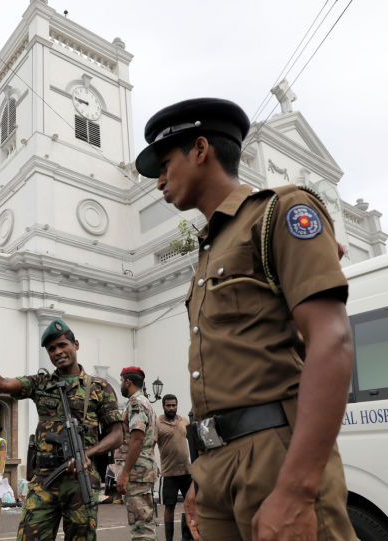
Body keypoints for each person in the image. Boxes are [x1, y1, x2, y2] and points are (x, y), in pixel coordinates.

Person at [135, 97, 356, 540]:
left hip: (274, 454)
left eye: (164, 163)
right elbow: (219, 368)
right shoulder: (208, 249)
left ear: (201, 150)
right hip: (217, 464)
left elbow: (332, 341)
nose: (159, 180)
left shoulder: (279, 211)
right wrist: (203, 473)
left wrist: (296, 488)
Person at [0, 318, 124, 541]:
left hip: (80, 479)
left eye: (63, 345)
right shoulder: (41, 383)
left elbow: (117, 434)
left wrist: (86, 455)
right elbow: (2, 384)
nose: (58, 352)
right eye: (51, 349)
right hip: (45, 479)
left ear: (76, 345)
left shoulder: (100, 388)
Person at [115, 366, 158, 541]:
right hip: (142, 469)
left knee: (141, 528)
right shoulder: (145, 402)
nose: (120, 385)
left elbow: (138, 439)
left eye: (121, 381)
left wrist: (124, 473)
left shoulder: (136, 403)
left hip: (136, 473)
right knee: (143, 523)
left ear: (128, 382)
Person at [156, 395, 193, 541]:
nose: (171, 408)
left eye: (173, 405)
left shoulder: (184, 421)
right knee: (169, 506)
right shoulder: (157, 423)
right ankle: (169, 539)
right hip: (169, 473)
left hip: (187, 471)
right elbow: (150, 445)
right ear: (163, 406)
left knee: (190, 505)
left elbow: (194, 441)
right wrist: (153, 465)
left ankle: (190, 536)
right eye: (168, 405)